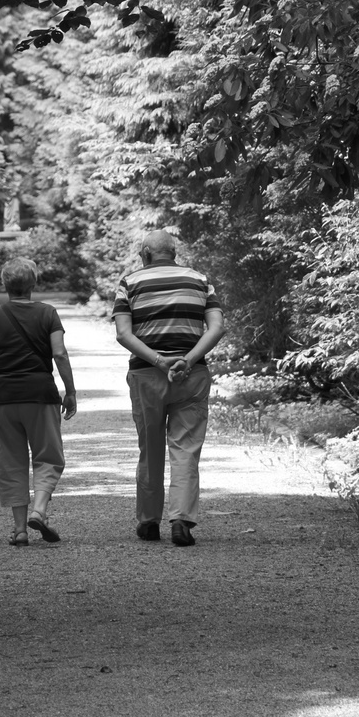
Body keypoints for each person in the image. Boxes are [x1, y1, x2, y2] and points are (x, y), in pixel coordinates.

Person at [112, 230, 224, 547]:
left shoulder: (129, 283)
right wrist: (187, 360)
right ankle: (181, 522)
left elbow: (123, 334)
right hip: (191, 376)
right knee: (186, 449)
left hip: (147, 375)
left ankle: (148, 522)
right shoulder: (201, 280)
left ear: (146, 253)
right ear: (173, 253)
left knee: (150, 449)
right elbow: (217, 327)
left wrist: (160, 361)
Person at [0, 257, 77, 546]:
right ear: (34, 283)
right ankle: (39, 510)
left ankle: (20, 530)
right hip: (40, 394)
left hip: (0, 397)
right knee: (48, 456)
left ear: (4, 285)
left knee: (10, 461)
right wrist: (71, 391)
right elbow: (60, 354)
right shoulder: (48, 314)